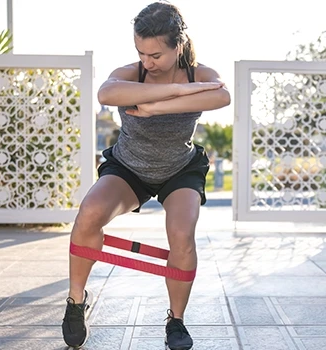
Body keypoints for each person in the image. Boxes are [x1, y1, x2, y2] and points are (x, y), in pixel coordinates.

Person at [61, 1, 231, 349]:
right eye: (141, 52)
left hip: (179, 169)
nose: (147, 62)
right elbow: (107, 93)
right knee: (89, 213)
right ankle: (76, 302)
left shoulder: (200, 74)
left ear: (178, 46)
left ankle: (176, 320)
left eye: (155, 55)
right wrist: (181, 91)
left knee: (182, 234)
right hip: (128, 168)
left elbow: (222, 96)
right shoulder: (132, 74)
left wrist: (158, 107)